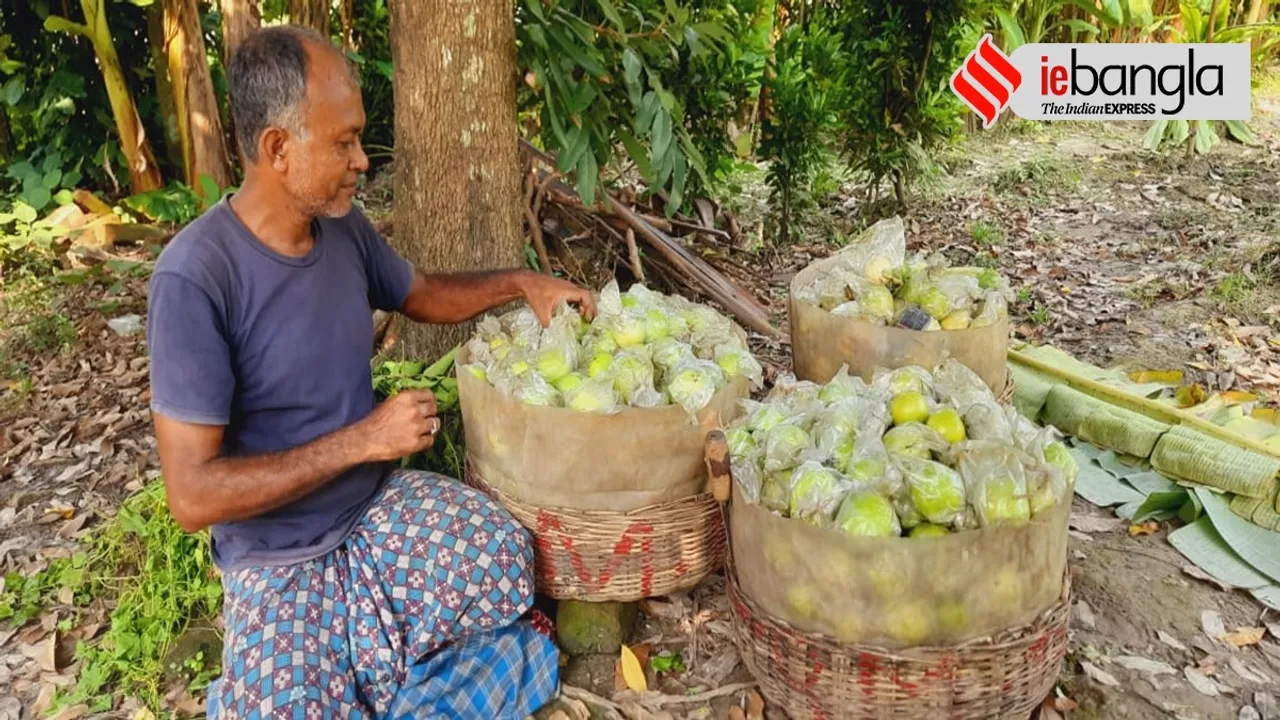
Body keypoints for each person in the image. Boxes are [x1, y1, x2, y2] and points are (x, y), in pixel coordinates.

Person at [145, 25, 594, 719]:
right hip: (276, 559)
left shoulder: (343, 229)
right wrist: (363, 440)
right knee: (288, 708)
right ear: (276, 149)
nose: (361, 160)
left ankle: (370, 675)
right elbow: (193, 497)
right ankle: (386, 682)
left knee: (506, 559)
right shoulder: (195, 277)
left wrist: (522, 282)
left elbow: (422, 295)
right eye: (343, 142)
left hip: (373, 512)